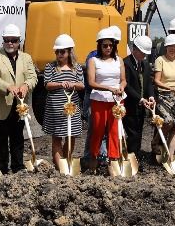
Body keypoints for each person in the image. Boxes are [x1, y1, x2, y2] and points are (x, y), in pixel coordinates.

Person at [0, 24, 38, 173]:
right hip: (1, 105)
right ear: (3, 41)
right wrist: (8, 87)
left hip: (19, 105)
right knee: (0, 139)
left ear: (19, 41)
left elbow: (32, 77)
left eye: (13, 40)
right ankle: (0, 166)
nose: (10, 43)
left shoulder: (26, 58)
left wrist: (26, 86)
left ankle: (18, 166)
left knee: (18, 138)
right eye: (7, 40)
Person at [86, 28, 126, 171]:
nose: (108, 48)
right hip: (99, 100)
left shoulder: (119, 60)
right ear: (99, 46)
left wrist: (121, 87)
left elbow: (123, 80)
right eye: (105, 45)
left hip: (116, 100)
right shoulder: (93, 61)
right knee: (97, 130)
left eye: (111, 45)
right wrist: (108, 88)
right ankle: (93, 159)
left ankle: (113, 161)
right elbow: (91, 82)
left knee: (115, 130)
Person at [42, 34, 84, 169]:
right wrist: (61, 84)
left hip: (72, 108)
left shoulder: (77, 68)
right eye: (57, 51)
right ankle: (60, 167)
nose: (59, 54)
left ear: (69, 52)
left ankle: (66, 161)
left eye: (62, 51)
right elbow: (47, 84)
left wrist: (72, 84)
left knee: (71, 135)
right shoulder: (50, 66)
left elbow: (82, 85)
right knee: (57, 136)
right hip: (55, 108)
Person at [152, 34, 175, 157]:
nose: (173, 49)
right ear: (166, 47)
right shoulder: (160, 60)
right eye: (170, 46)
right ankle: (155, 142)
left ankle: (170, 157)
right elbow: (157, 80)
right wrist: (171, 88)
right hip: (163, 95)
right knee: (168, 121)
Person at [123, 35, 155, 160]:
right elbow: (127, 86)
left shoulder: (145, 64)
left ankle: (135, 156)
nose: (145, 55)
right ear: (134, 49)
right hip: (129, 105)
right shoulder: (126, 63)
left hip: (141, 106)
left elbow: (148, 83)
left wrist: (151, 96)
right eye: (143, 52)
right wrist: (140, 98)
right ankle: (131, 157)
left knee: (138, 132)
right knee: (132, 133)